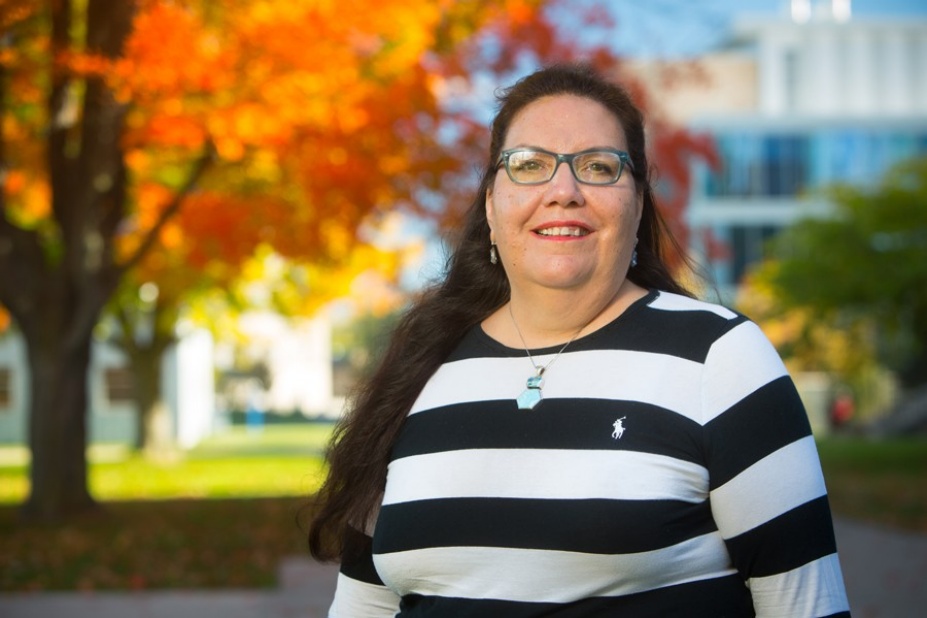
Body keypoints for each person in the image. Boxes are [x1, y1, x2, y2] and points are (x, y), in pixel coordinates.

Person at [308, 64, 851, 617]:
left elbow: (804, 607)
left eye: (598, 167)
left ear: (638, 205)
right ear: (491, 204)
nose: (563, 191)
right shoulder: (420, 366)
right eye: (530, 165)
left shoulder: (721, 358)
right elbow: (363, 606)